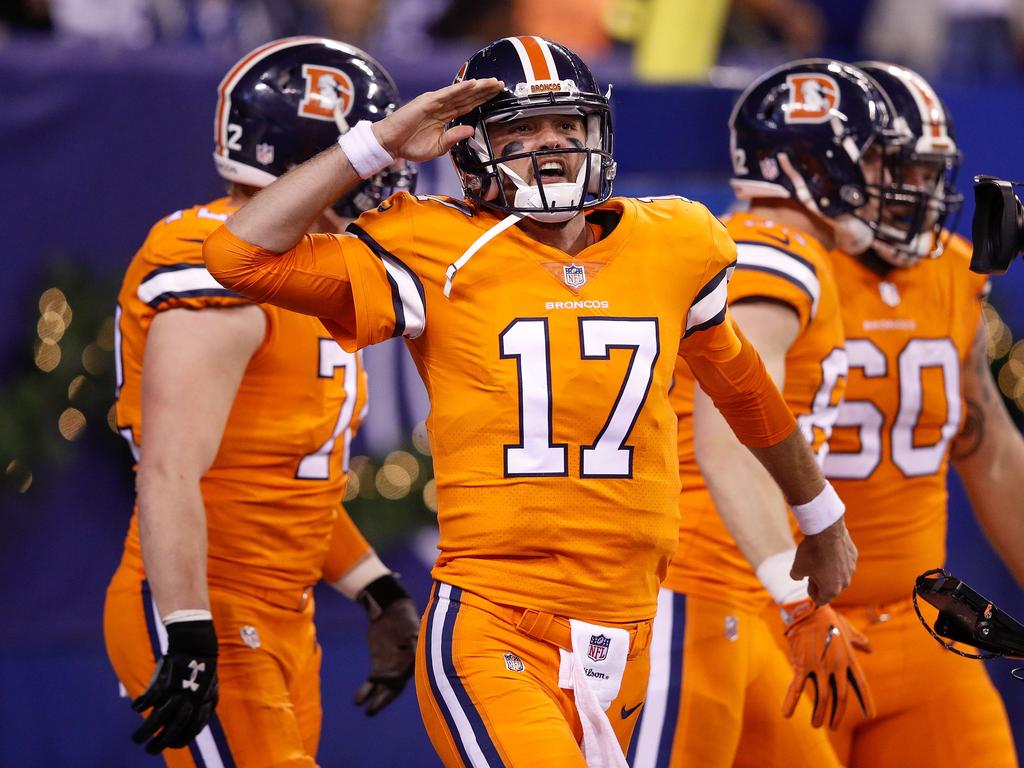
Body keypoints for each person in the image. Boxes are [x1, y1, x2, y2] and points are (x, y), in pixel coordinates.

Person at [203, 36, 858, 767]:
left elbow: (744, 390)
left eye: (567, 127)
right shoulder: (431, 247)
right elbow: (238, 257)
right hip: (497, 628)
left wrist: (819, 514)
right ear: (474, 148)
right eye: (520, 130)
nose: (549, 147)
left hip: (628, 633)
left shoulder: (673, 241)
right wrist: (380, 143)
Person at [102, 37, 421, 767]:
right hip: (209, 598)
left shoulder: (309, 267)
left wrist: (375, 588)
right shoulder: (212, 265)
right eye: (364, 151)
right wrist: (186, 626)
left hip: (283, 611)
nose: (384, 173)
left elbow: (279, 474)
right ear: (306, 161)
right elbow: (170, 470)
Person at [628, 59, 894, 768]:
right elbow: (730, 438)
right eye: (869, 158)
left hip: (730, 595)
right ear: (816, 163)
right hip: (685, 592)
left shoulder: (772, 250)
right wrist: (798, 596)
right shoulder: (775, 256)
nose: (882, 180)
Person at [820, 62, 1023, 767]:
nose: (912, 191)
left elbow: (988, 442)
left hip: (916, 622)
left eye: (926, 170)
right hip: (776, 624)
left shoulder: (950, 270)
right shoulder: (762, 271)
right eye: (889, 164)